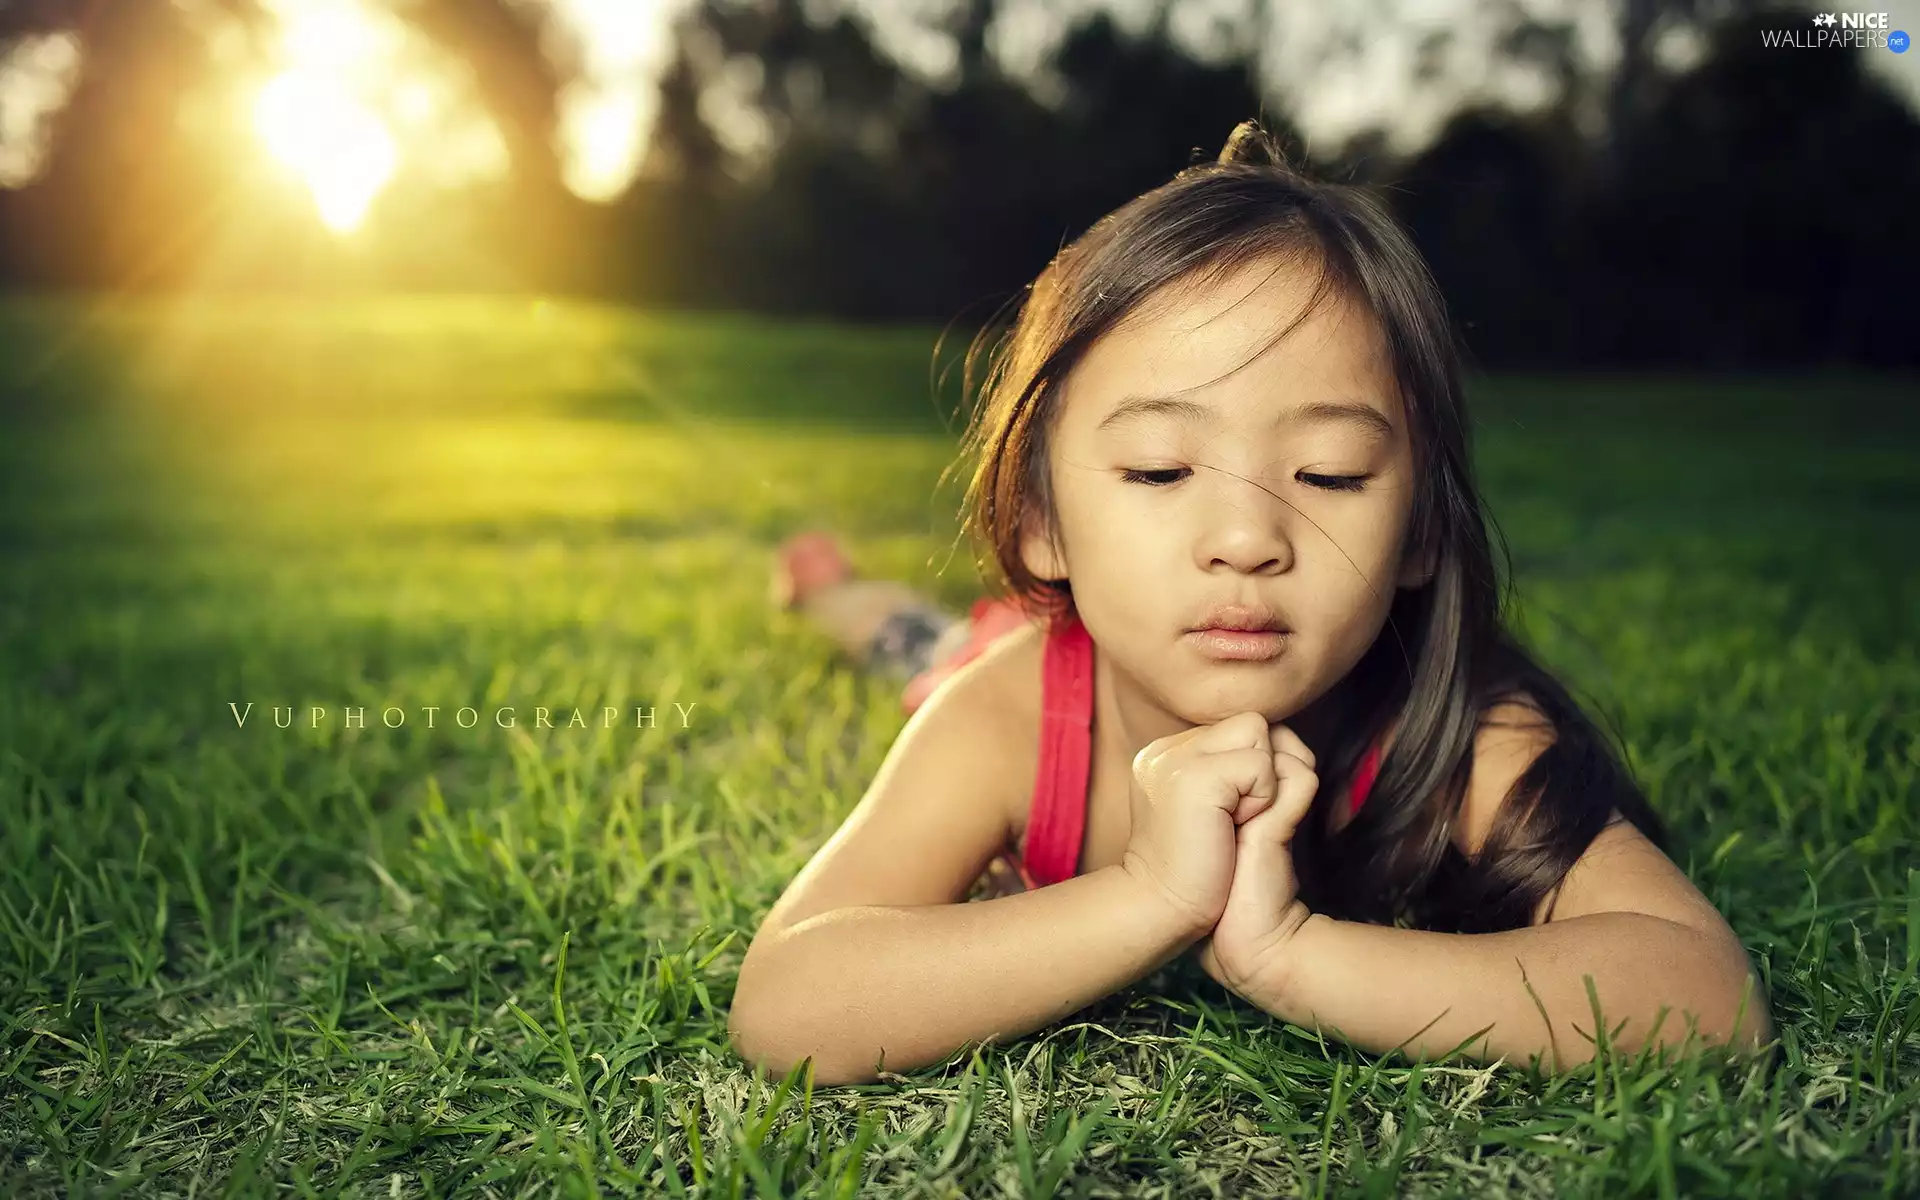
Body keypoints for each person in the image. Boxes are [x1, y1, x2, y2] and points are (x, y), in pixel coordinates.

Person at [729, 119, 1775, 1086]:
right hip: (1007, 648)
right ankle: (829, 590)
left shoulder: (1458, 724)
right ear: (1041, 519)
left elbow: (1708, 1002)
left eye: (1329, 474)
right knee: (918, 641)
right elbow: (788, 1004)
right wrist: (1149, 894)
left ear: (1419, 530)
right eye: (1158, 469)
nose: (1245, 539)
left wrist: (1292, 956)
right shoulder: (1005, 716)